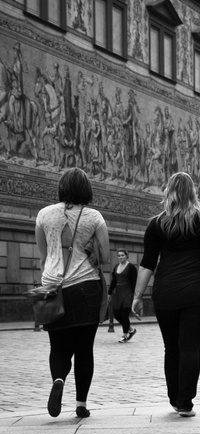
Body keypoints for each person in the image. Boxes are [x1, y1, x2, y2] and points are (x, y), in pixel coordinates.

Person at [131, 171, 200, 417]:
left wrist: (137, 296)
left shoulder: (156, 224)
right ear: (193, 192)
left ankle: (174, 397)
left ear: (168, 192)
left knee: (171, 348)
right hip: (199, 293)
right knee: (191, 348)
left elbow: (147, 263)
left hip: (166, 293)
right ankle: (185, 402)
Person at [34, 167, 110, 419]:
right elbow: (105, 258)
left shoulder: (43, 215)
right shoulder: (95, 217)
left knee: (58, 347)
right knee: (84, 349)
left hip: (54, 288)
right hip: (86, 287)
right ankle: (80, 404)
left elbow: (44, 257)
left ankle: (58, 380)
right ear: (86, 190)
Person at [108, 248, 138, 343]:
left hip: (128, 293)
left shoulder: (131, 267)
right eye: (119, 255)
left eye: (122, 255)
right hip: (118, 293)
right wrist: (109, 293)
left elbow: (135, 282)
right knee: (116, 314)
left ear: (126, 256)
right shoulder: (116, 266)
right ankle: (131, 330)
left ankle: (125, 335)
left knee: (124, 314)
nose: (120, 257)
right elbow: (114, 281)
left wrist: (135, 296)